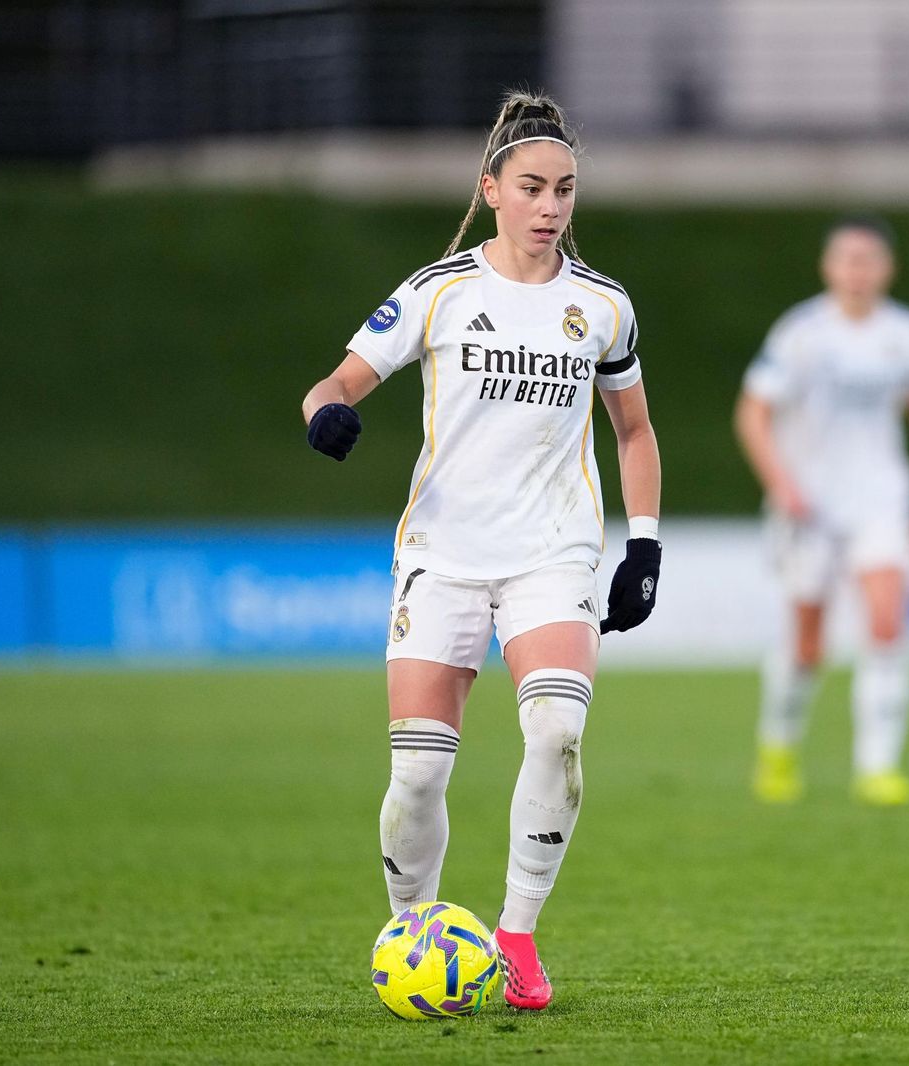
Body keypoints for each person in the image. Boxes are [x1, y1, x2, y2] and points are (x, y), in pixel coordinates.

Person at [299, 90, 662, 1012]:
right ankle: (411, 932)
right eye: (533, 188)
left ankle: (518, 934)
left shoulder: (603, 307)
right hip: (445, 554)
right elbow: (338, 379)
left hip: (553, 553)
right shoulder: (439, 290)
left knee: (558, 732)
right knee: (419, 772)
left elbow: (635, 431)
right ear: (491, 188)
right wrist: (329, 414)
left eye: (567, 190)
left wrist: (643, 546)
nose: (551, 207)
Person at [735, 217, 909, 806]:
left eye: (869, 259)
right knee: (807, 642)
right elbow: (752, 414)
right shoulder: (802, 333)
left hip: (879, 496)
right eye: (847, 259)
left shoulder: (908, 334)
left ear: (886, 267)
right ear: (828, 267)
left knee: (888, 620)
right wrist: (781, 482)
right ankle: (779, 746)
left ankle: (877, 767)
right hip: (809, 501)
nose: (858, 271)